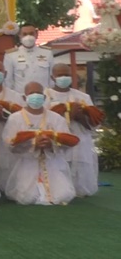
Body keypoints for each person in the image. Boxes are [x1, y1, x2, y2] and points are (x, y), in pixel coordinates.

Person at [3, 82, 77, 205]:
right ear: (24, 97)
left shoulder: (56, 118)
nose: (36, 96)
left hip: (52, 163)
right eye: (32, 93)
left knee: (63, 195)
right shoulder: (15, 118)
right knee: (26, 198)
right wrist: (33, 144)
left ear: (44, 97)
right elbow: (9, 144)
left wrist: (51, 144)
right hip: (27, 163)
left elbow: (67, 141)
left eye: (38, 93)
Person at [45, 64, 100, 197]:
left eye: (67, 75)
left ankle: (81, 191)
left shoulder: (83, 97)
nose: (64, 78)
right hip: (57, 140)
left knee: (81, 169)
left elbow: (94, 124)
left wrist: (80, 117)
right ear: (53, 77)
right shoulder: (45, 96)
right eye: (60, 75)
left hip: (81, 140)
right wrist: (65, 114)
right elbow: (43, 120)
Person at [3, 24, 54, 94]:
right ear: (19, 36)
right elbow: (8, 80)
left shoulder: (47, 53)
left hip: (43, 97)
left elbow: (52, 78)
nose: (28, 37)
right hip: (21, 98)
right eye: (25, 34)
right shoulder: (11, 55)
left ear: (36, 34)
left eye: (31, 33)